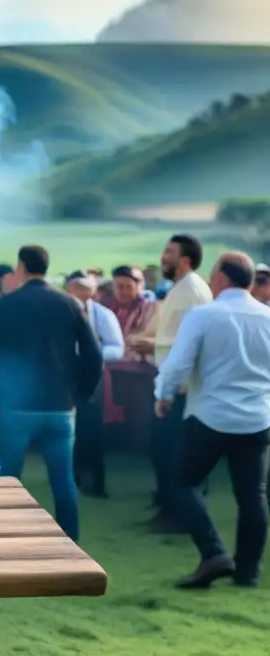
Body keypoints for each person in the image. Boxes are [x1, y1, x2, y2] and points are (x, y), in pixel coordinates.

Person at [155, 252, 270, 589]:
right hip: (257, 418)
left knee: (180, 482)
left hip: (211, 415)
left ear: (220, 278)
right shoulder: (268, 317)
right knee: (253, 496)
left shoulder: (204, 315)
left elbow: (178, 363)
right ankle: (248, 572)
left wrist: (163, 394)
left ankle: (214, 552)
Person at [0, 245, 103, 541]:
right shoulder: (69, 304)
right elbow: (94, 357)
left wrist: (0, 388)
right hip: (60, 407)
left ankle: (3, 540)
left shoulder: (3, 305)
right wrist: (79, 395)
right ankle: (71, 543)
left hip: (18, 406)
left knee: (9, 480)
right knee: (63, 481)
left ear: (21, 267)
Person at [130, 234, 213, 532]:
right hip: (175, 383)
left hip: (181, 386)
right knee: (163, 448)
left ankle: (176, 515)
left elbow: (187, 341)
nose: (163, 257)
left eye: (169, 252)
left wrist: (150, 346)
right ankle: (170, 509)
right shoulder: (182, 288)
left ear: (185, 260)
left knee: (168, 450)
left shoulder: (190, 289)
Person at [65, 271, 125, 498]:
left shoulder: (103, 315)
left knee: (93, 431)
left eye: (85, 288)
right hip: (66, 379)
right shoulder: (61, 313)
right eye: (76, 288)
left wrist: (91, 354)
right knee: (69, 430)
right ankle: (73, 477)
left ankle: (96, 482)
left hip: (94, 380)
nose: (81, 293)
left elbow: (116, 348)